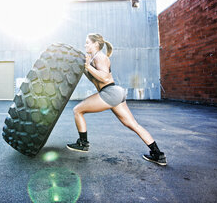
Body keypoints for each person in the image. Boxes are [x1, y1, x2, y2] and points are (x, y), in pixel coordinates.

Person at [66, 33, 167, 166]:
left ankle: (83, 143)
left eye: (87, 42)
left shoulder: (100, 57)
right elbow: (92, 74)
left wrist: (88, 67)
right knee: (133, 125)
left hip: (109, 92)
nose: (85, 45)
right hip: (115, 93)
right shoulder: (93, 58)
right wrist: (84, 65)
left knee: (77, 110)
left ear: (96, 44)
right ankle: (158, 154)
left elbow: (105, 77)